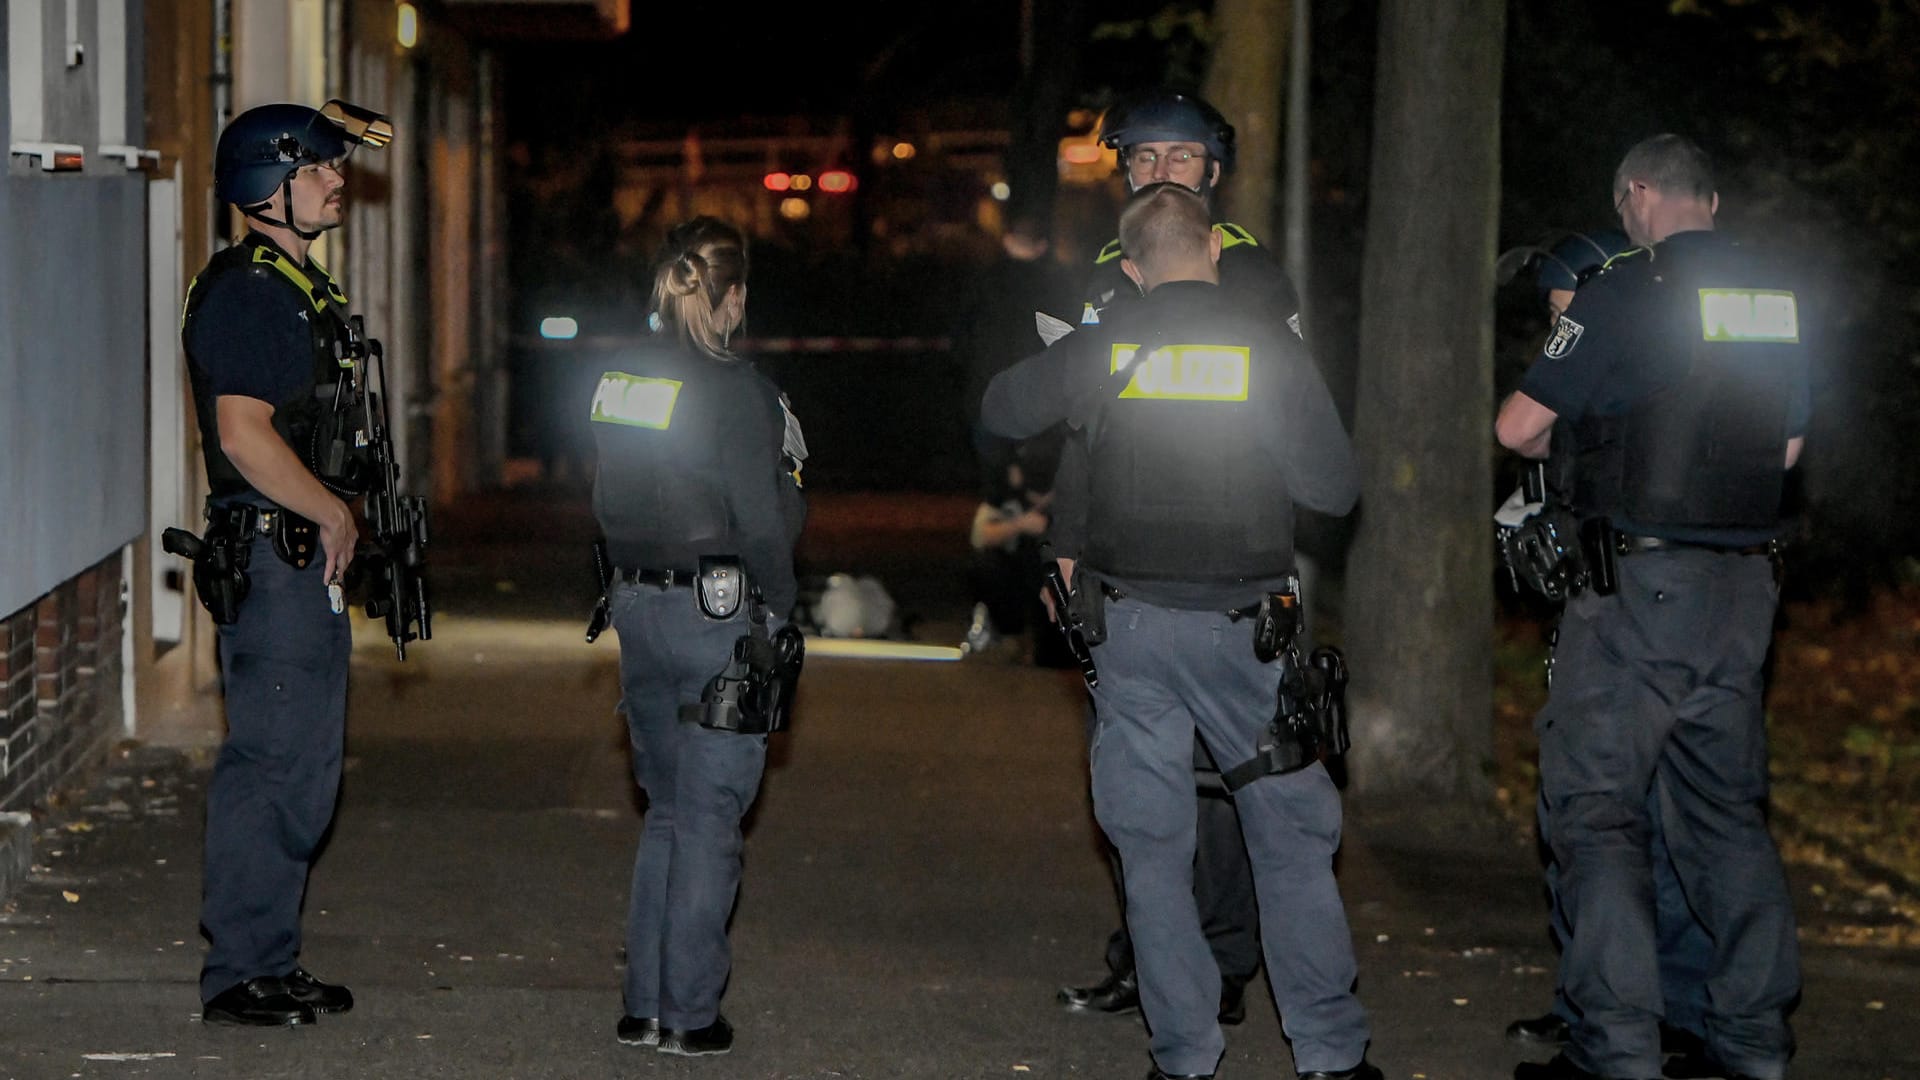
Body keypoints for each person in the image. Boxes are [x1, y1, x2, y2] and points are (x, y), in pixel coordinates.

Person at [983, 182, 1375, 1080]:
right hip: (1250, 640)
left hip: (1133, 636)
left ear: (1131, 268)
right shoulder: (1268, 346)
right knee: (1289, 841)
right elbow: (1334, 491)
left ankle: (1185, 1058)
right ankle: (1330, 1058)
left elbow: (1003, 409)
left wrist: (1090, 371)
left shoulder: (1109, 341)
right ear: (1213, 252)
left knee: (1153, 851)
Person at [1496, 135, 1808, 1080]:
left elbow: (1517, 426)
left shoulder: (1624, 290)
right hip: (1745, 591)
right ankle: (1750, 1042)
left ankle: (1616, 1046)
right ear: (1709, 196)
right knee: (1725, 818)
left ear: (1638, 195)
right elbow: (1788, 452)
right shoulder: (1777, 298)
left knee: (1594, 815)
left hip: (1640, 588)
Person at [1052, 86, 1302, 1030]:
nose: (1159, 173)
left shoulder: (1250, 279)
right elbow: (1082, 430)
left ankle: (1225, 962)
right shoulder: (1106, 276)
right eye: (1143, 158)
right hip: (1122, 566)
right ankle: (1152, 962)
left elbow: (1291, 434)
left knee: (1229, 780)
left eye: (1179, 158)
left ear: (1214, 171)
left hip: (1225, 565)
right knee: (1134, 783)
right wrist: (1063, 548)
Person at [181, 100, 391, 1025]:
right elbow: (243, 432)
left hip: (299, 554)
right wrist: (329, 509)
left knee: (303, 765)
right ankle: (238, 977)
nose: (336, 179)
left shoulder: (299, 285)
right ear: (267, 185)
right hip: (274, 556)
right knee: (271, 765)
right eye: (317, 167)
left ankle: (270, 955)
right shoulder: (249, 291)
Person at [591, 217, 807, 1057]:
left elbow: (607, 497)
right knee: (711, 821)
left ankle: (642, 1006)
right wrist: (781, 608)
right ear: (732, 298)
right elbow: (763, 519)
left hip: (638, 607)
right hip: (721, 615)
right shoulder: (740, 390)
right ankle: (688, 1015)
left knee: (668, 813)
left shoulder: (617, 378)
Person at [1497, 227, 1712, 1064]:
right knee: (1587, 818)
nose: (1558, 334)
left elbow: (1528, 431)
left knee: (1621, 819)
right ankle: (1594, 997)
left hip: (1632, 614)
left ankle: (1641, 1015)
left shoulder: (1623, 386)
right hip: (1604, 605)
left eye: (1565, 314)